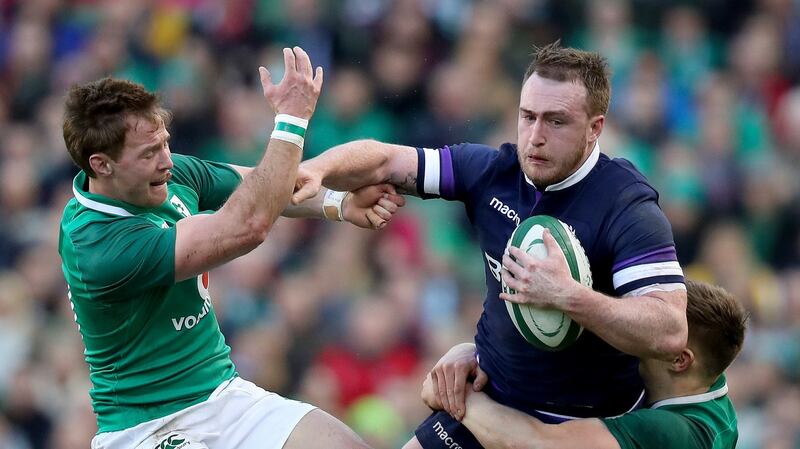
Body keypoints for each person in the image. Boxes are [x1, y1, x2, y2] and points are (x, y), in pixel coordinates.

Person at [293, 41, 688, 449]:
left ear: (595, 127)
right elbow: (384, 160)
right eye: (527, 116)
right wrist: (316, 170)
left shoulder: (626, 204)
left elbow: (671, 329)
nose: (535, 137)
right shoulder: (494, 172)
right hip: (490, 399)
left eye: (556, 121)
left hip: (578, 429)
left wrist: (570, 297)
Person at [58, 47, 403, 449]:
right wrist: (291, 120)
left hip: (223, 395)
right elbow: (248, 224)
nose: (167, 161)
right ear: (101, 165)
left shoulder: (163, 177)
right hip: (147, 427)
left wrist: (339, 203)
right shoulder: (96, 243)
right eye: (150, 153)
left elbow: (264, 184)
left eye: (164, 143)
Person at [420, 280, 747, 449]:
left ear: (680, 359)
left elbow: (535, 445)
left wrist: (459, 398)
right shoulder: (707, 378)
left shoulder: (673, 432)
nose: (638, 322)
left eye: (656, 324)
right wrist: (471, 352)